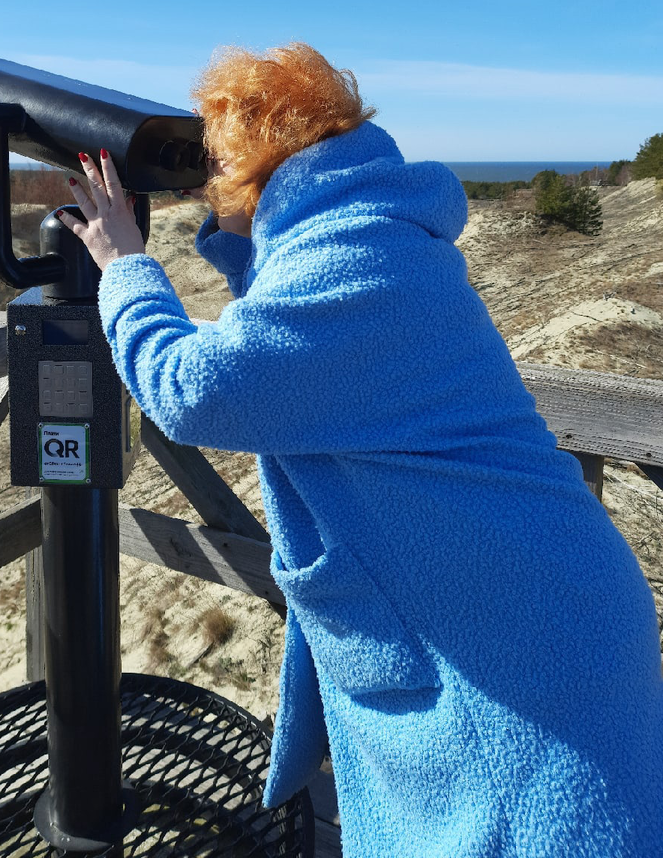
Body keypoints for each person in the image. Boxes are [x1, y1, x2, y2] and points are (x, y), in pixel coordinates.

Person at [56, 42, 663, 858]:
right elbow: (286, 327)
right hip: (533, 597)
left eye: (216, 162)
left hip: (512, 642)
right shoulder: (374, 238)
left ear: (258, 167)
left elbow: (194, 389)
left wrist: (125, 267)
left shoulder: (354, 264)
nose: (205, 182)